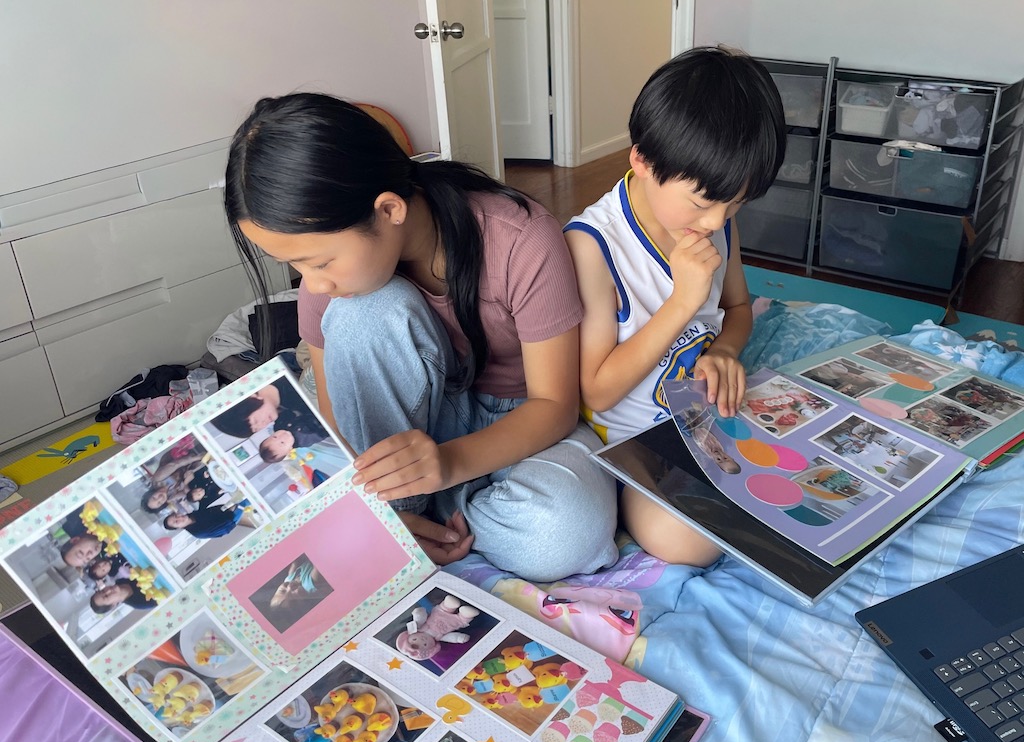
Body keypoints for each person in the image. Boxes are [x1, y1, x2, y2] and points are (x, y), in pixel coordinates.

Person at [223, 93, 617, 582]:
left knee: (563, 532)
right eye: (295, 265)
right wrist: (388, 508)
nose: (314, 283)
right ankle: (407, 511)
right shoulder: (329, 291)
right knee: (361, 313)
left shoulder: (521, 238)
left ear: (389, 209)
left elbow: (554, 405)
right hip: (404, 436)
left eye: (321, 261)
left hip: (520, 424)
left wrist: (447, 465)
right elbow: (339, 420)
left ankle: (440, 509)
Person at [565, 47, 785, 565]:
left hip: (704, 416)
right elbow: (595, 390)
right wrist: (683, 300)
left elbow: (737, 307)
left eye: (736, 205)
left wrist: (727, 352)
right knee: (693, 543)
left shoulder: (718, 219)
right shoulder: (592, 246)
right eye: (704, 203)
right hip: (637, 439)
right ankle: (622, 498)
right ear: (641, 160)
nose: (717, 221)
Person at [211, 381, 330, 448]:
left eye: (256, 421)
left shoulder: (285, 378)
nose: (263, 425)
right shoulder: (283, 411)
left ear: (250, 398)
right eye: (257, 429)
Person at [162, 505, 258, 539]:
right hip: (231, 519)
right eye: (176, 522)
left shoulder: (193, 515)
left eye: (175, 516)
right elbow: (224, 527)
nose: (179, 518)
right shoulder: (198, 532)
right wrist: (231, 510)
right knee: (245, 501)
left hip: (227, 508)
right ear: (179, 528)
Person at [89, 579, 158, 613]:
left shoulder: (120, 580)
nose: (108, 591)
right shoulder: (140, 603)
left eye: (103, 591)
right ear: (113, 605)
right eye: (106, 596)